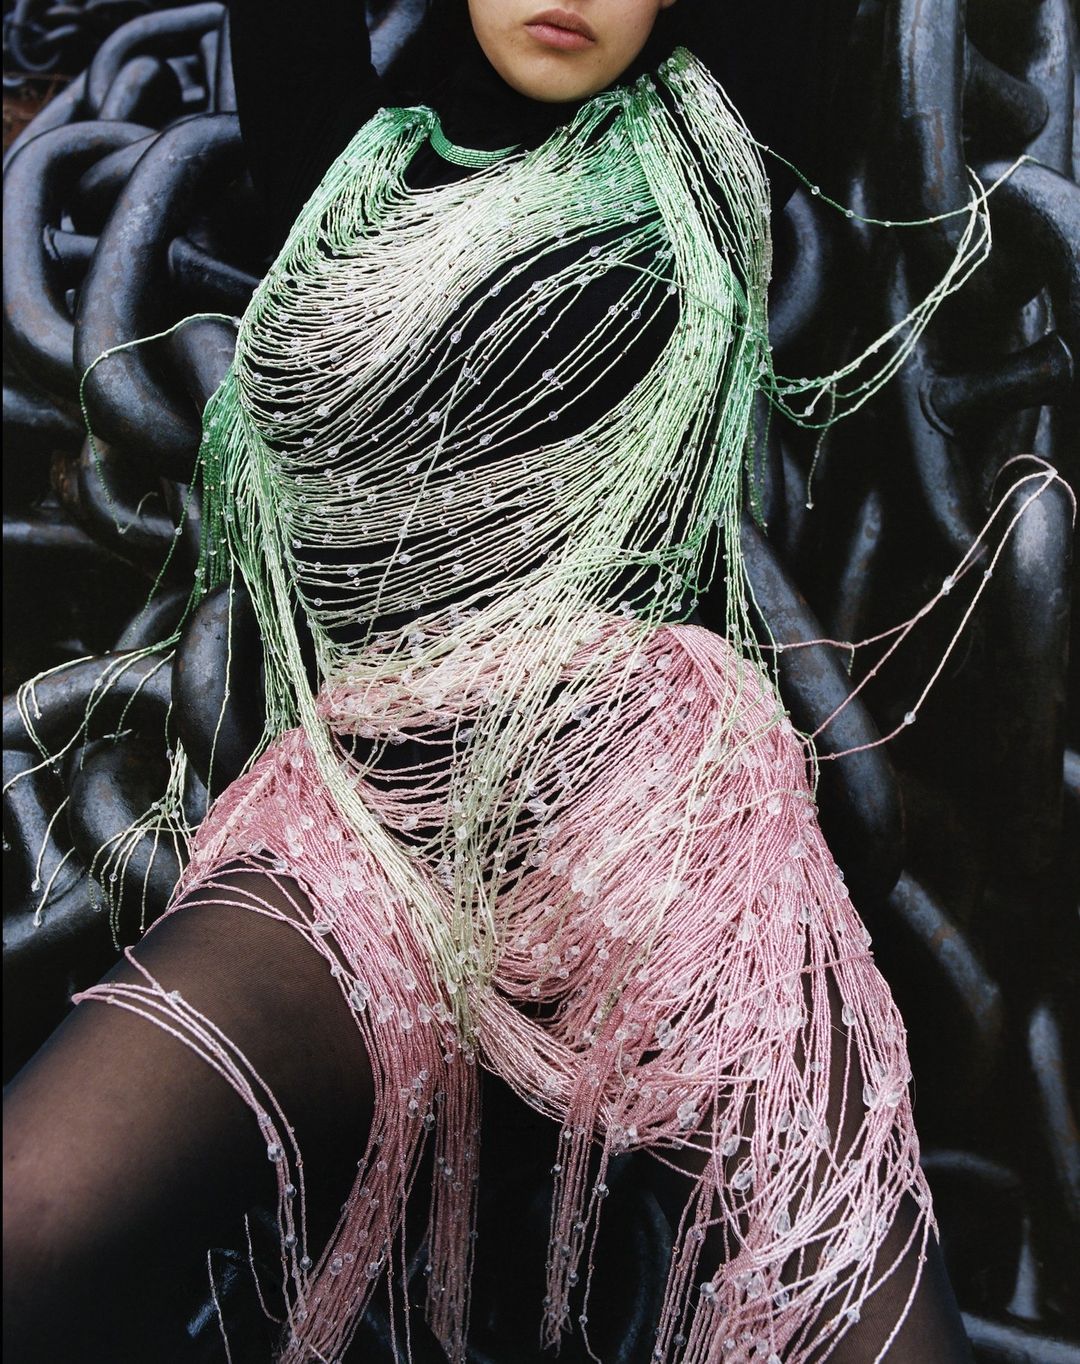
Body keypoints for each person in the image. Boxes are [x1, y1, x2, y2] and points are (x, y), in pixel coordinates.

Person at [4, 1, 980, 1360]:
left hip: (639, 805)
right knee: (32, 1212)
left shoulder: (711, 131)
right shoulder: (343, 157)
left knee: (861, 1315)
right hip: (366, 826)